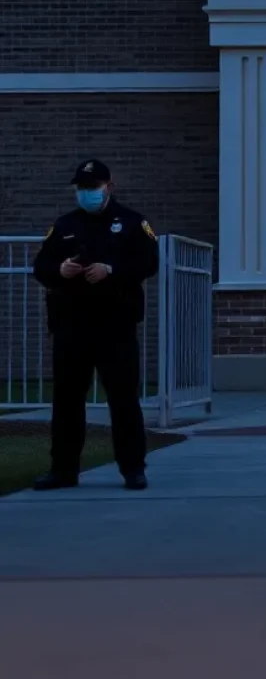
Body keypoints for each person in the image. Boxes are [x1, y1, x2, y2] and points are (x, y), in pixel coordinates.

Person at [31, 159, 159, 491]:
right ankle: (63, 469)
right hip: (71, 325)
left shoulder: (132, 223)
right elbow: (41, 266)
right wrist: (61, 269)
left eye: (93, 187)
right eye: (82, 189)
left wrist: (110, 269)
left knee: (123, 398)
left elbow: (148, 262)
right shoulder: (64, 226)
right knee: (67, 399)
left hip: (115, 324)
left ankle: (133, 468)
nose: (87, 194)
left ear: (109, 187)